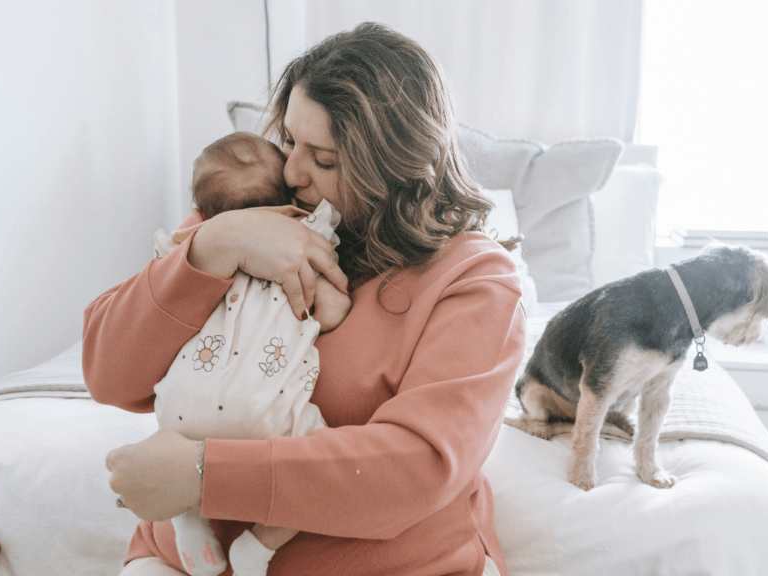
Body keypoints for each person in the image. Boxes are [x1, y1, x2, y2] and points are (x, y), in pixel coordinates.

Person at [84, 21, 525, 576]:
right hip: (186, 562)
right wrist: (214, 245)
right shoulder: (246, 211)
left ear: (398, 168)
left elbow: (416, 469)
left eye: (325, 160)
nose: (291, 172)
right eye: (289, 140)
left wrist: (203, 474)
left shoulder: (475, 280)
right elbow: (107, 374)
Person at [152, 131, 349, 576]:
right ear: (286, 195)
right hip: (266, 414)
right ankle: (258, 546)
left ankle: (189, 528)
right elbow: (331, 313)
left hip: (180, 409)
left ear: (204, 208)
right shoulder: (306, 237)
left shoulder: (192, 242)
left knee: (170, 453)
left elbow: (159, 295)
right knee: (322, 468)